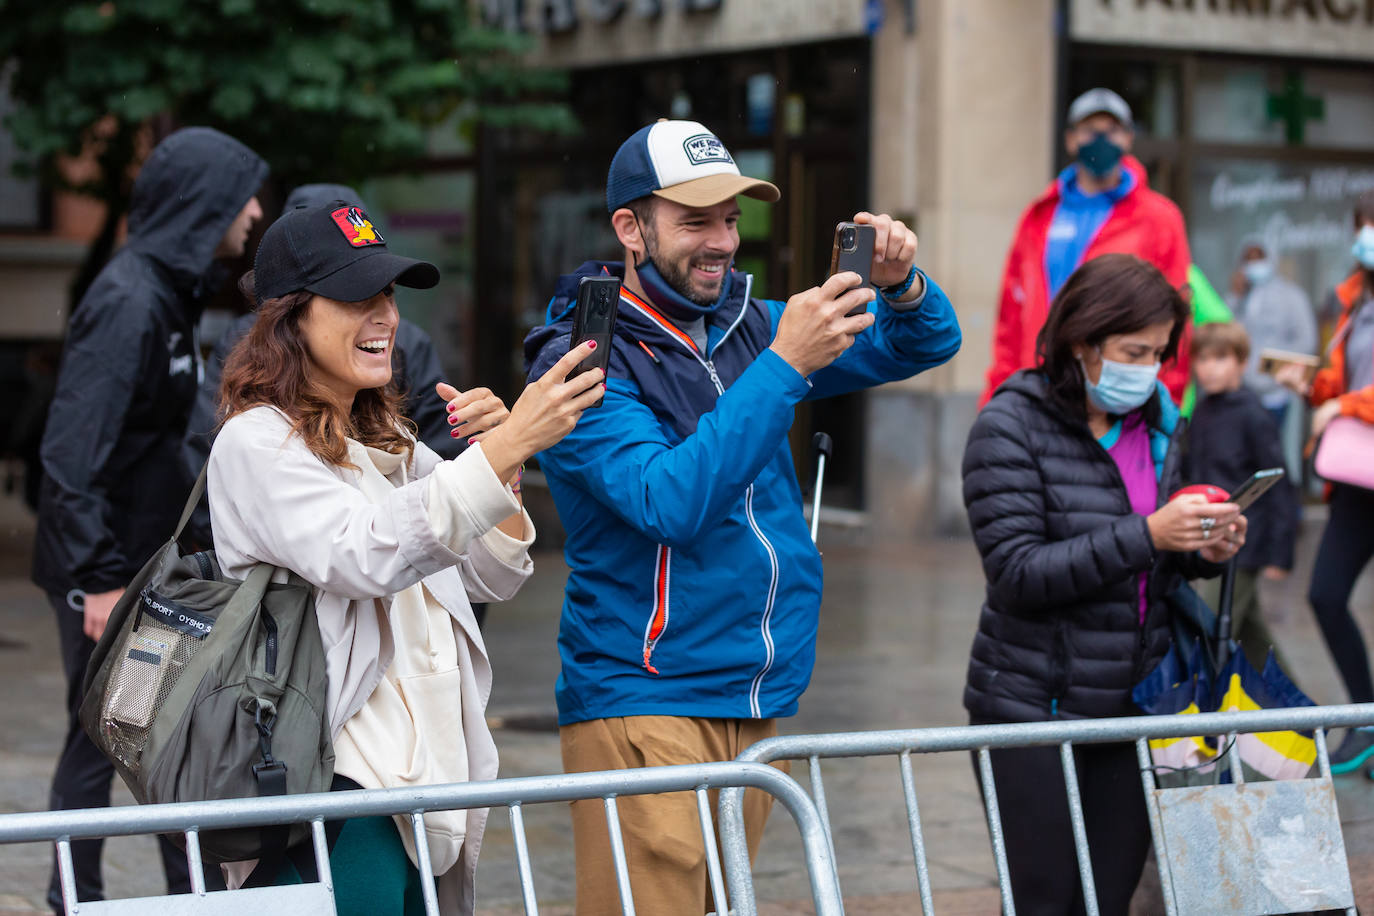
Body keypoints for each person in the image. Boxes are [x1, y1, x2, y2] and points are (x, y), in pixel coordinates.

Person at [522, 118, 962, 916]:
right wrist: (787, 365)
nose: (723, 240)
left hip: (754, 693)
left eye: (731, 216)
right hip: (644, 695)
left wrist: (901, 284)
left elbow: (923, 344)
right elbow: (669, 501)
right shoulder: (579, 358)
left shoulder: (748, 323)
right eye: (695, 220)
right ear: (629, 227)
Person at [208, 202, 603, 914]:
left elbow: (492, 573)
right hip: (338, 792)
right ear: (290, 316)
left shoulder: (387, 431)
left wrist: (502, 466)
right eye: (357, 296)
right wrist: (507, 449)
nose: (385, 315)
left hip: (429, 793)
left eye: (388, 294)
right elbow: (365, 552)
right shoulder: (254, 442)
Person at [963, 253, 1245, 915]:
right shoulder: (1008, 426)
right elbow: (1017, 572)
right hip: (1032, 707)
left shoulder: (1157, 426)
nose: (1146, 369)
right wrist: (1149, 533)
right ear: (1082, 342)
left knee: (1107, 899)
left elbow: (1157, 564)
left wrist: (1205, 549)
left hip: (1134, 703)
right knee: (1045, 899)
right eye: (1132, 351)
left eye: (1158, 354)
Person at [30, 126, 267, 911]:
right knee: (106, 737)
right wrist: (97, 582)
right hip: (111, 576)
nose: (256, 212)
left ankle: (186, 896)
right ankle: (75, 898)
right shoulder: (129, 300)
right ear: (204, 206)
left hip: (143, 564)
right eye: (243, 198)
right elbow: (69, 456)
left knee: (159, 736)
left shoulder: (166, 291)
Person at [981, 88, 1192, 408]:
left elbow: (1176, 320)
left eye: (1112, 131)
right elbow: (1011, 315)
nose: (1101, 140)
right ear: (1070, 139)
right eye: (1090, 130)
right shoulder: (1039, 216)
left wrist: (1162, 404)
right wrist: (999, 396)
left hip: (1112, 396)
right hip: (1041, 387)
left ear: (1128, 138)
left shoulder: (1159, 218)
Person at [1276, 190, 1374, 773]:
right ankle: (1367, 715)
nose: (1368, 234)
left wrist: (1343, 408)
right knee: (1326, 595)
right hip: (1357, 477)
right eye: (1364, 224)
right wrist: (1310, 389)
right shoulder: (1354, 298)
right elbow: (1339, 388)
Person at [1187, 321, 1299, 669]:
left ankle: (1194, 718)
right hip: (1210, 540)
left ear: (1242, 362)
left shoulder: (1254, 414)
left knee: (1211, 633)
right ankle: (1298, 713)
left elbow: (1278, 483)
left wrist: (1282, 553)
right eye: (1202, 359)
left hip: (1244, 542)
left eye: (1220, 358)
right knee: (1251, 636)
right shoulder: (1202, 412)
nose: (1209, 368)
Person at [1224, 236, 1318, 430]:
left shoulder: (1292, 296)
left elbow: (1306, 340)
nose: (1254, 264)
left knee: (1270, 453)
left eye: (1259, 257)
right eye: (1249, 259)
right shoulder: (1240, 296)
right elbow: (1224, 335)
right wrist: (1235, 296)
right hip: (1241, 392)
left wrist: (1274, 369)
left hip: (1277, 394)